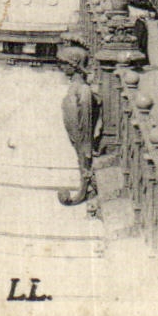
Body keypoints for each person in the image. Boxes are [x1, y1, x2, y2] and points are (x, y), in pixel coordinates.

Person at [56, 43, 101, 208]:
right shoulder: (79, 88)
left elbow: (83, 126)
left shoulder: (82, 90)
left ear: (73, 65)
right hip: (79, 142)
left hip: (82, 143)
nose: (60, 67)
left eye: (64, 63)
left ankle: (85, 178)